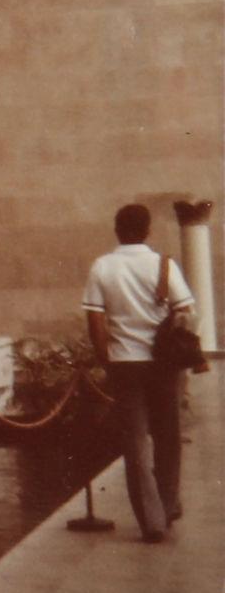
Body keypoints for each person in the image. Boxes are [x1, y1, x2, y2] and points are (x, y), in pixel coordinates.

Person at [82, 203, 196, 543]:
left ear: (117, 230)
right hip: (163, 364)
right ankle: (168, 504)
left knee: (135, 443)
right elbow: (187, 312)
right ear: (147, 231)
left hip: (124, 363)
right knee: (168, 437)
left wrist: (106, 358)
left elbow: (95, 319)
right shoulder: (164, 265)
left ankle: (151, 521)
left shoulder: (102, 267)